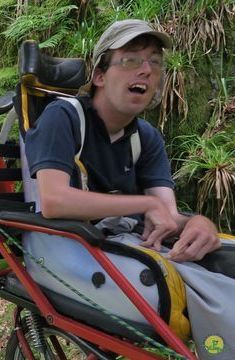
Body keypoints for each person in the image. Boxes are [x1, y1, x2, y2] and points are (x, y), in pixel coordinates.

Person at [25, 19, 231, 359]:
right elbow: (53, 200)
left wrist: (197, 223)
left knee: (225, 258)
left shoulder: (146, 137)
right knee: (208, 293)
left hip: (122, 243)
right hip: (64, 244)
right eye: (131, 59)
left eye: (155, 61)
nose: (147, 70)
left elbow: (164, 214)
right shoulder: (62, 117)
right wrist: (141, 204)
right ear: (100, 75)